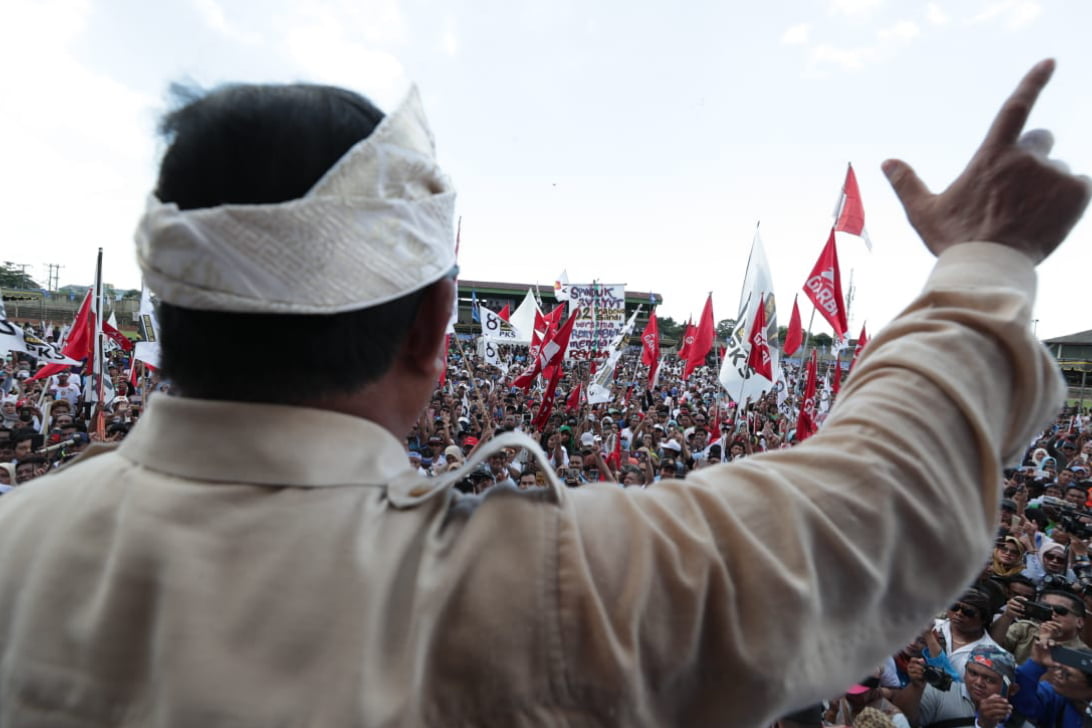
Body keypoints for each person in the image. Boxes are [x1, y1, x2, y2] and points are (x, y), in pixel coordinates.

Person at [0, 60, 1086, 727]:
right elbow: (868, 514)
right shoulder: (536, 589)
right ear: (433, 325)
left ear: (169, 315)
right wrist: (984, 266)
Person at [892, 644, 1027, 728]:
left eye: (990, 680)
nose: (979, 683)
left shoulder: (1018, 723)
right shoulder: (940, 692)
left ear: (1011, 689)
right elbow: (902, 719)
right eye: (973, 673)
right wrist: (915, 688)